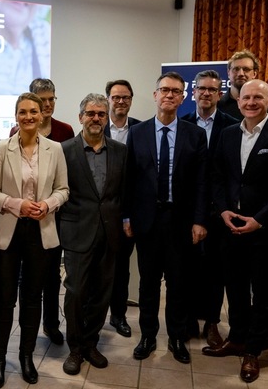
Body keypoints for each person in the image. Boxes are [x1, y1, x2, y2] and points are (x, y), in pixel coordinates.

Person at [204, 80, 268, 383]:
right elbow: (217, 175)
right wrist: (222, 210)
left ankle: (253, 350)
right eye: (246, 97)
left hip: (264, 231)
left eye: (258, 97)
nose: (251, 102)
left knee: (265, 293)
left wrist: (261, 219)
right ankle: (237, 338)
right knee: (236, 289)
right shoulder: (228, 134)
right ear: (237, 100)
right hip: (230, 227)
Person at [0, 93, 69, 388]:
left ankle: (26, 357)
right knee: (4, 300)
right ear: (16, 115)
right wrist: (16, 204)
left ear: (42, 113)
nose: (29, 116)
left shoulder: (55, 149)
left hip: (41, 231)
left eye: (34, 111)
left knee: (33, 299)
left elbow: (63, 189)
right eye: (23, 112)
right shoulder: (0, 148)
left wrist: (48, 205)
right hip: (8, 232)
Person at [124, 72, 208, 365]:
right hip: (147, 221)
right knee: (148, 283)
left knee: (178, 283)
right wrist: (126, 216)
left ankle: (176, 336)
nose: (169, 95)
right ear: (155, 94)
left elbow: (201, 182)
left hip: (180, 221)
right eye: (164, 90)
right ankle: (148, 335)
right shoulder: (138, 132)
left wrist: (200, 220)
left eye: (176, 91)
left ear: (183, 97)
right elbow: (129, 180)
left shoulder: (195, 134)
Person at [59, 93, 127, 376]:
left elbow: (124, 191)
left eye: (101, 113)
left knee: (102, 292)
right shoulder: (63, 150)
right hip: (77, 231)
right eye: (90, 113)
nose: (96, 118)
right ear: (80, 117)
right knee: (75, 291)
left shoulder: (120, 151)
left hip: (109, 232)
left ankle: (90, 342)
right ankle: (74, 347)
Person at [8, 78, 74, 345]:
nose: (47, 105)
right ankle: (28, 330)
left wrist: (51, 204)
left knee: (52, 275)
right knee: (29, 277)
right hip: (22, 218)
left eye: (51, 99)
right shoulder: (16, 131)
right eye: (42, 100)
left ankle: (51, 323)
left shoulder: (65, 131)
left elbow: (65, 178)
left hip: (54, 216)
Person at [180, 69, 239, 348]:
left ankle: (213, 322)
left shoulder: (232, 125)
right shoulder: (182, 122)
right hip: (187, 210)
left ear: (220, 94)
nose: (206, 93)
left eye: (212, 90)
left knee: (217, 270)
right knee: (187, 267)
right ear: (193, 93)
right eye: (201, 88)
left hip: (220, 211)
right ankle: (189, 318)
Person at [103, 79, 142, 338]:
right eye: (116, 97)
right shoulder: (94, 126)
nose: (120, 101)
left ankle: (118, 316)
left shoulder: (141, 129)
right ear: (108, 99)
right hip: (100, 212)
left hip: (128, 211)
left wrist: (130, 214)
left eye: (125, 97)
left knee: (121, 269)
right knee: (97, 266)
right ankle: (93, 314)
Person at [217, 49, 268, 121]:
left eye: (246, 69)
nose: (241, 74)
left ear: (254, 74)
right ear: (228, 73)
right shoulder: (218, 105)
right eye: (236, 69)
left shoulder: (265, 105)